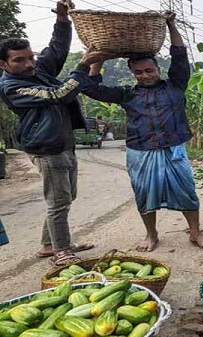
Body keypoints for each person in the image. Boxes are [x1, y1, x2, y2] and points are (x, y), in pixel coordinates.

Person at [77, 12, 203, 252]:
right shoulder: (127, 94)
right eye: (139, 72)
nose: (144, 75)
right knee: (144, 194)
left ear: (157, 69)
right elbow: (89, 87)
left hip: (174, 149)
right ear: (133, 74)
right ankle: (151, 235)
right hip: (140, 151)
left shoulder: (176, 85)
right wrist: (98, 57)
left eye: (149, 70)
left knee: (187, 192)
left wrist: (171, 25)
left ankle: (195, 232)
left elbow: (179, 55)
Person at [0, 0, 106, 265]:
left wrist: (62, 19)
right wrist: (82, 66)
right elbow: (58, 94)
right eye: (19, 60)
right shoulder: (13, 87)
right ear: (3, 64)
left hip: (63, 143)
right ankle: (61, 251)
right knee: (58, 201)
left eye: (30, 57)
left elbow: (57, 49)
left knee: (67, 196)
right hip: (46, 148)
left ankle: (51, 244)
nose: (28, 63)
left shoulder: (38, 70)